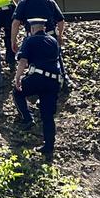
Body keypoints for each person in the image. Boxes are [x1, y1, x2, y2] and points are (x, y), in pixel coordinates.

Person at [13, 17, 62, 161]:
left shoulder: (30, 41)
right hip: (53, 81)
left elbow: (23, 61)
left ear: (32, 29)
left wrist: (17, 78)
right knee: (48, 115)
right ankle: (49, 145)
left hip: (37, 78)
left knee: (18, 92)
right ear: (44, 28)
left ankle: (27, 118)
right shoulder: (53, 41)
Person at [10, 0, 73, 89]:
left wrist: (13, 40)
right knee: (56, 57)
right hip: (49, 36)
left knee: (33, 60)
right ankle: (64, 81)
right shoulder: (50, 1)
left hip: (32, 38)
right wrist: (60, 35)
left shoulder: (24, 1)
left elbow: (15, 22)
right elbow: (61, 20)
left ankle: (34, 84)